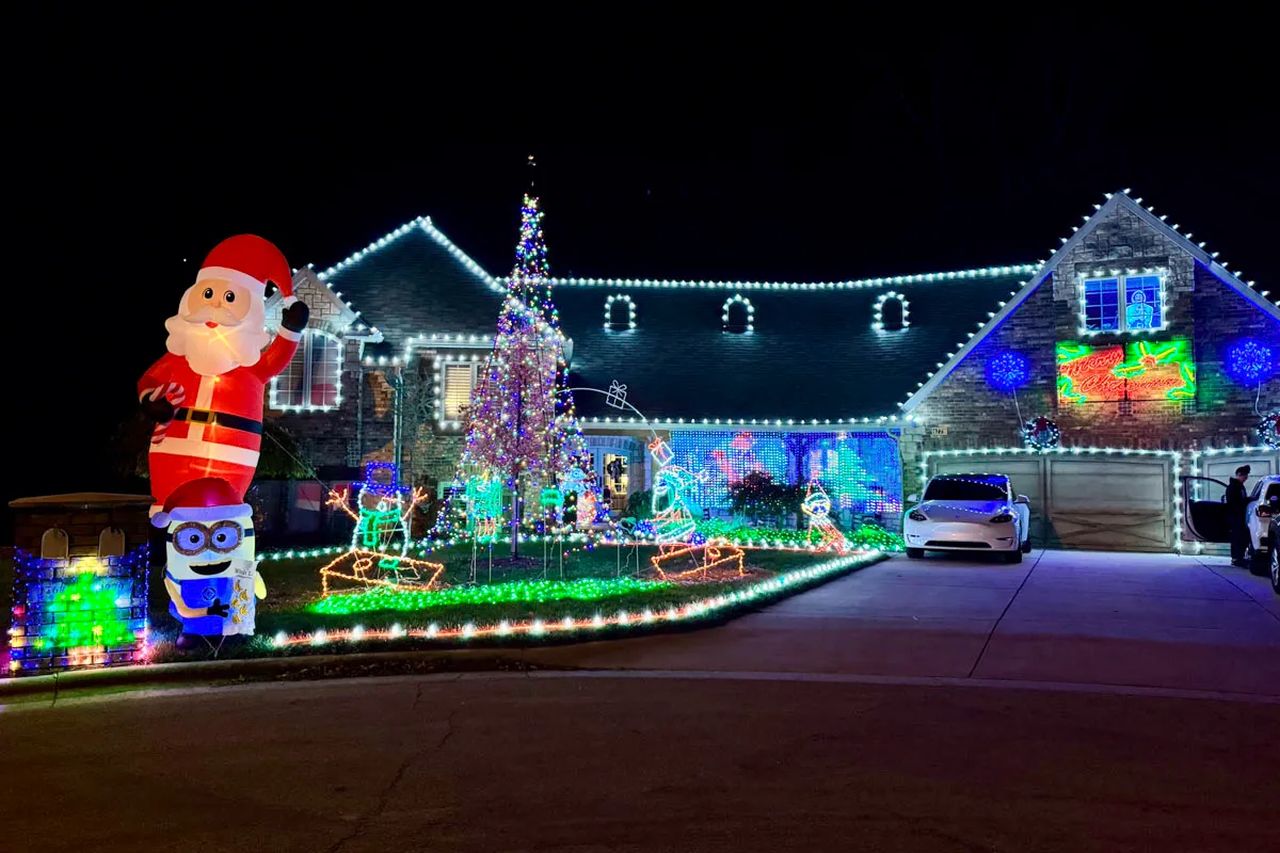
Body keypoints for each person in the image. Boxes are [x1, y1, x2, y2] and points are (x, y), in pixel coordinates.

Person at [1225, 465, 1251, 567]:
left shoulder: (1239, 486)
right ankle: (1236, 558)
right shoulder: (1233, 487)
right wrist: (1247, 500)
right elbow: (1235, 503)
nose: (1246, 478)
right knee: (1237, 538)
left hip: (1239, 517)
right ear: (1239, 475)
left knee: (1241, 538)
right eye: (1245, 476)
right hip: (1236, 517)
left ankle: (1239, 557)